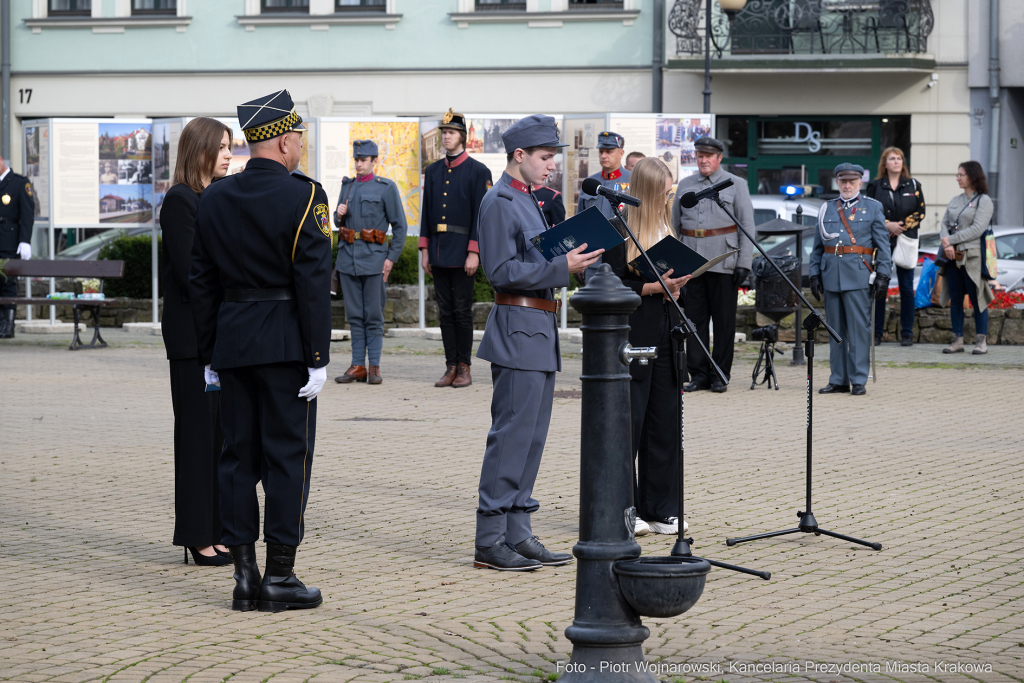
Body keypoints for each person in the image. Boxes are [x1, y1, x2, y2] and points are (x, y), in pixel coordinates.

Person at [189, 89, 332, 612]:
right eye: (298, 138)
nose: (300, 147)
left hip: (232, 343)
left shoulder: (215, 197)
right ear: (284, 141)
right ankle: (280, 577)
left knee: (236, 459)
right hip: (287, 346)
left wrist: (210, 350)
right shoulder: (305, 196)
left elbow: (201, 282)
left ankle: (244, 577)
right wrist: (318, 358)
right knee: (287, 458)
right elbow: (313, 283)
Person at [474, 115, 604, 571]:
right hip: (517, 327)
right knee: (510, 437)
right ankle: (490, 539)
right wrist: (560, 267)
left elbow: (536, 259)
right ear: (520, 156)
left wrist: (574, 260)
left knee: (531, 439)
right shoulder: (500, 201)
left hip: (538, 329)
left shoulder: (529, 200)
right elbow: (500, 271)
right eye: (546, 158)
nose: (551, 166)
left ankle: (518, 530)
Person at [602, 157, 691, 538]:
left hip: (668, 332)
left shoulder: (668, 227)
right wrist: (652, 288)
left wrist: (679, 283)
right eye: (665, 191)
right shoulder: (617, 231)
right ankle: (627, 507)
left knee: (664, 422)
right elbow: (608, 285)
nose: (669, 197)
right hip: (634, 335)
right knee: (631, 424)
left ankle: (662, 508)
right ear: (649, 191)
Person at [160, 117, 233, 568]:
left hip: (218, 337)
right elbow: (193, 274)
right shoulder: (180, 201)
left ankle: (217, 529)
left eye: (231, 146)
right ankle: (195, 535)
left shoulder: (213, 198)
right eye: (222, 147)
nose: (228, 154)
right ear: (201, 149)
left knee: (219, 438)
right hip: (192, 340)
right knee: (196, 438)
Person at [671, 136, 753, 393]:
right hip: (691, 261)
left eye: (709, 155)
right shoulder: (685, 185)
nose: (703, 160)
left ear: (719, 158)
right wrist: (674, 262)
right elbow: (674, 225)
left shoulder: (736, 184)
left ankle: (720, 374)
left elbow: (747, 225)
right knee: (694, 321)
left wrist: (744, 263)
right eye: (699, 155)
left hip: (724, 261)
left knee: (724, 322)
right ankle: (699, 374)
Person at [419, 109, 492, 388]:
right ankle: (450, 366)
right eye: (444, 133)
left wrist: (475, 251)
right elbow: (426, 212)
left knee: (462, 311)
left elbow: (481, 216)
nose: (446, 137)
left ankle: (464, 366)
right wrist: (425, 249)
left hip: (463, 253)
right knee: (444, 311)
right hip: (438, 251)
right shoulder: (434, 170)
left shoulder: (478, 171)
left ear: (462, 136)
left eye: (450, 132)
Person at [809, 163, 891, 396]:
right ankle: (838, 379)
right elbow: (817, 246)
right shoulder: (826, 208)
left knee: (857, 329)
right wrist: (814, 273)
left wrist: (883, 274)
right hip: (831, 275)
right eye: (843, 181)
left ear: (860, 183)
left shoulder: (873, 208)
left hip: (858, 274)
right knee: (834, 330)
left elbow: (883, 246)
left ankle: (857, 379)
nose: (847, 185)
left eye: (851, 181)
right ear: (837, 182)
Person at [333, 139, 408, 386]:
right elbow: (337, 222)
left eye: (363, 160)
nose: (358, 164)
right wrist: (338, 215)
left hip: (374, 261)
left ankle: (374, 366)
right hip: (348, 260)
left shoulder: (385, 187)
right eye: (356, 159)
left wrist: (391, 258)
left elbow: (400, 226)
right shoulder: (347, 186)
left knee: (373, 315)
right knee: (354, 316)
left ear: (374, 161)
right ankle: (357, 366)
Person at [865, 147, 925, 346]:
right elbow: (868, 212)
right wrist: (886, 224)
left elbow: (920, 211)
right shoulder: (875, 186)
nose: (896, 161)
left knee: (906, 287)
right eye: (892, 158)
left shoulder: (913, 184)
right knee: (880, 284)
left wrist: (900, 226)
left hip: (906, 240)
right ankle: (877, 332)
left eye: (899, 158)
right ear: (885, 163)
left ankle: (907, 333)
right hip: (881, 241)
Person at [939, 161, 994, 355]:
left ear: (972, 176)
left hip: (972, 257)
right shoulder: (955, 200)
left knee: (977, 298)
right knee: (955, 299)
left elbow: (978, 229)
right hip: (952, 257)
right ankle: (957, 340)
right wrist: (947, 244)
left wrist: (951, 240)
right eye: (957, 175)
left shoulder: (984, 201)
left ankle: (981, 341)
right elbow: (944, 223)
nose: (957, 178)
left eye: (961, 175)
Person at [0, 158, 34, 339]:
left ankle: (8, 325)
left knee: (8, 282)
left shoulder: (20, 183)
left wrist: (25, 240)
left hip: (9, 239)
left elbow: (27, 214)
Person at [577, 131, 631, 219]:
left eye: (608, 152)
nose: (603, 156)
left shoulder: (632, 180)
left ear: (621, 153)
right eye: (601, 151)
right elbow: (580, 217)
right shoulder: (590, 182)